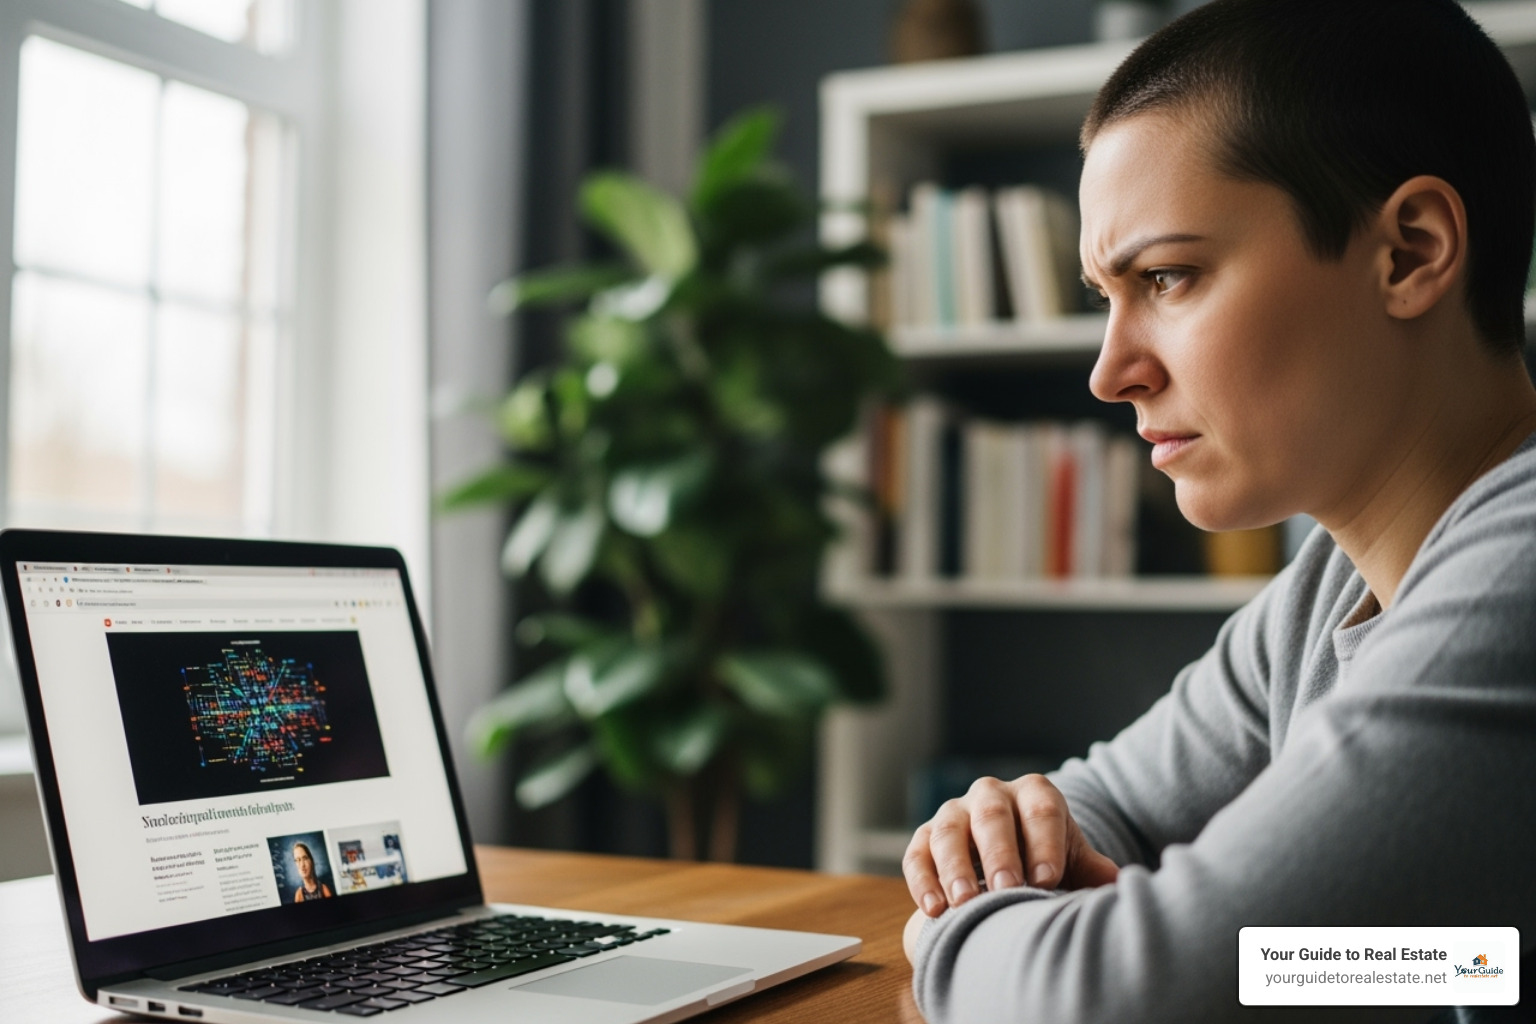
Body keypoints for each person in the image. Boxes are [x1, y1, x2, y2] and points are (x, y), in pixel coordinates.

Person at [901, 1, 1536, 1020]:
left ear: (1411, 253)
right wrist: (1012, 860)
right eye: (1105, 295)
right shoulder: (1330, 585)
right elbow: (1479, 965)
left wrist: (956, 922)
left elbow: (1110, 997)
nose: (1110, 372)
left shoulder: (1517, 579)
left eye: (1167, 276)